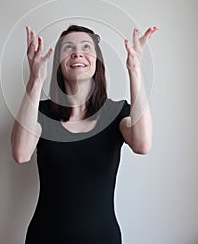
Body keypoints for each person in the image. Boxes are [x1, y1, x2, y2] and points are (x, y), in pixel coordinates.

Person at [11, 24, 158, 244]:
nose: (77, 52)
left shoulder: (117, 113)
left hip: (103, 238)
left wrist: (135, 69)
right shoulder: (41, 113)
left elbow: (142, 144)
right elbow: (21, 154)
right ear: (59, 64)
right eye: (68, 48)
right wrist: (35, 80)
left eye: (86, 47)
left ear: (97, 62)